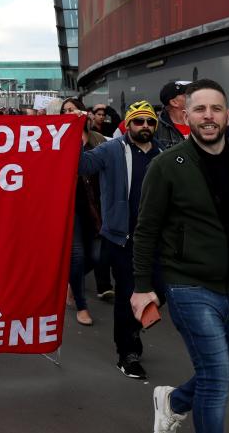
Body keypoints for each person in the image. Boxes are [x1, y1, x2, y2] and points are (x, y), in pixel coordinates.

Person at [131, 79, 229, 433]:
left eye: (216, 108)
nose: (209, 116)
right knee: (216, 378)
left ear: (228, 115)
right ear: (186, 115)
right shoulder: (167, 165)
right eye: (200, 109)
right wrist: (142, 286)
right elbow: (146, 230)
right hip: (189, 286)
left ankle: (174, 401)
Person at [79, 100, 165, 379]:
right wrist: (74, 132)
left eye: (150, 122)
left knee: (161, 290)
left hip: (157, 240)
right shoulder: (112, 149)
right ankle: (127, 352)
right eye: (138, 121)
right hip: (122, 239)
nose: (145, 127)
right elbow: (83, 165)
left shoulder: (163, 154)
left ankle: (133, 332)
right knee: (129, 295)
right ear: (127, 124)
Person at [61, 97, 105, 326]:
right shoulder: (57, 139)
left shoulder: (98, 139)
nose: (70, 113)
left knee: (97, 256)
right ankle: (81, 304)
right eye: (65, 110)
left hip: (94, 206)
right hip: (70, 207)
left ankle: (72, 282)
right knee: (76, 256)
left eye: (73, 109)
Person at [155, 81, 190, 149]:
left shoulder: (201, 122)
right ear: (174, 102)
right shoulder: (156, 129)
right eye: (188, 95)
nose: (195, 97)